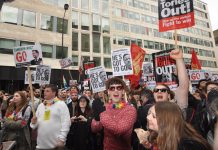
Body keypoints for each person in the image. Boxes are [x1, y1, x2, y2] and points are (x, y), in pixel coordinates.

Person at [135, 102, 212, 150]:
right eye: (149, 113)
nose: (148, 117)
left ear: (167, 120)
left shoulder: (189, 146)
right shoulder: (156, 138)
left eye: (153, 116)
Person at [91, 77, 137, 150]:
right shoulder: (106, 107)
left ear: (123, 91)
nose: (115, 91)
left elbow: (119, 130)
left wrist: (102, 114)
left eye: (119, 88)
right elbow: (95, 129)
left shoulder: (130, 109)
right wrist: (96, 118)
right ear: (108, 92)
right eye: (112, 88)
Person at [30, 84, 71, 149]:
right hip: (40, 146)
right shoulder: (41, 106)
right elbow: (34, 126)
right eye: (44, 91)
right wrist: (33, 122)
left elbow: (66, 123)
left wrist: (62, 139)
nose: (44, 92)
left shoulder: (61, 104)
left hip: (56, 146)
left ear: (54, 93)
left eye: (47, 91)